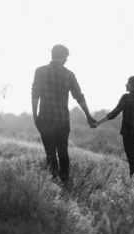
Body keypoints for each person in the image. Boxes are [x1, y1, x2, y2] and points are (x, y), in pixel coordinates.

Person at [31, 44, 96, 184]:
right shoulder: (69, 74)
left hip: (45, 118)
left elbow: (35, 94)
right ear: (64, 57)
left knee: (50, 153)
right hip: (62, 120)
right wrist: (88, 116)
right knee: (63, 153)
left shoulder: (40, 71)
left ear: (52, 55)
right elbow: (79, 96)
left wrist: (35, 116)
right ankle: (65, 182)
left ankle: (53, 181)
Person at [93, 76, 134, 184]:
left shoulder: (126, 98)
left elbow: (114, 114)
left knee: (132, 162)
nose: (126, 85)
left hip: (128, 135)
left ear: (133, 85)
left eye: (128, 83)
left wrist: (98, 123)